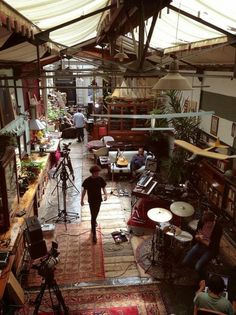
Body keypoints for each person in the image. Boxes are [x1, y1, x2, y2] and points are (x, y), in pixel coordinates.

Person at [182, 210, 223, 279]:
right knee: (185, 262)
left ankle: (205, 280)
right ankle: (201, 266)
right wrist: (197, 237)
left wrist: (202, 240)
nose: (206, 225)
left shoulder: (218, 228)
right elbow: (196, 233)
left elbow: (214, 245)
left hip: (210, 250)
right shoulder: (201, 222)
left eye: (207, 224)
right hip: (200, 244)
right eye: (204, 223)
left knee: (198, 267)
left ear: (212, 222)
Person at [81, 165, 107, 244]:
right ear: (92, 173)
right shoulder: (87, 181)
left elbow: (103, 187)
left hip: (98, 199)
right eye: (96, 173)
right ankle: (94, 234)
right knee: (93, 215)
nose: (97, 174)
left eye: (98, 172)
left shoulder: (100, 179)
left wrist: (106, 194)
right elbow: (84, 191)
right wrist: (81, 200)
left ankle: (94, 220)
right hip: (91, 200)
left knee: (96, 213)